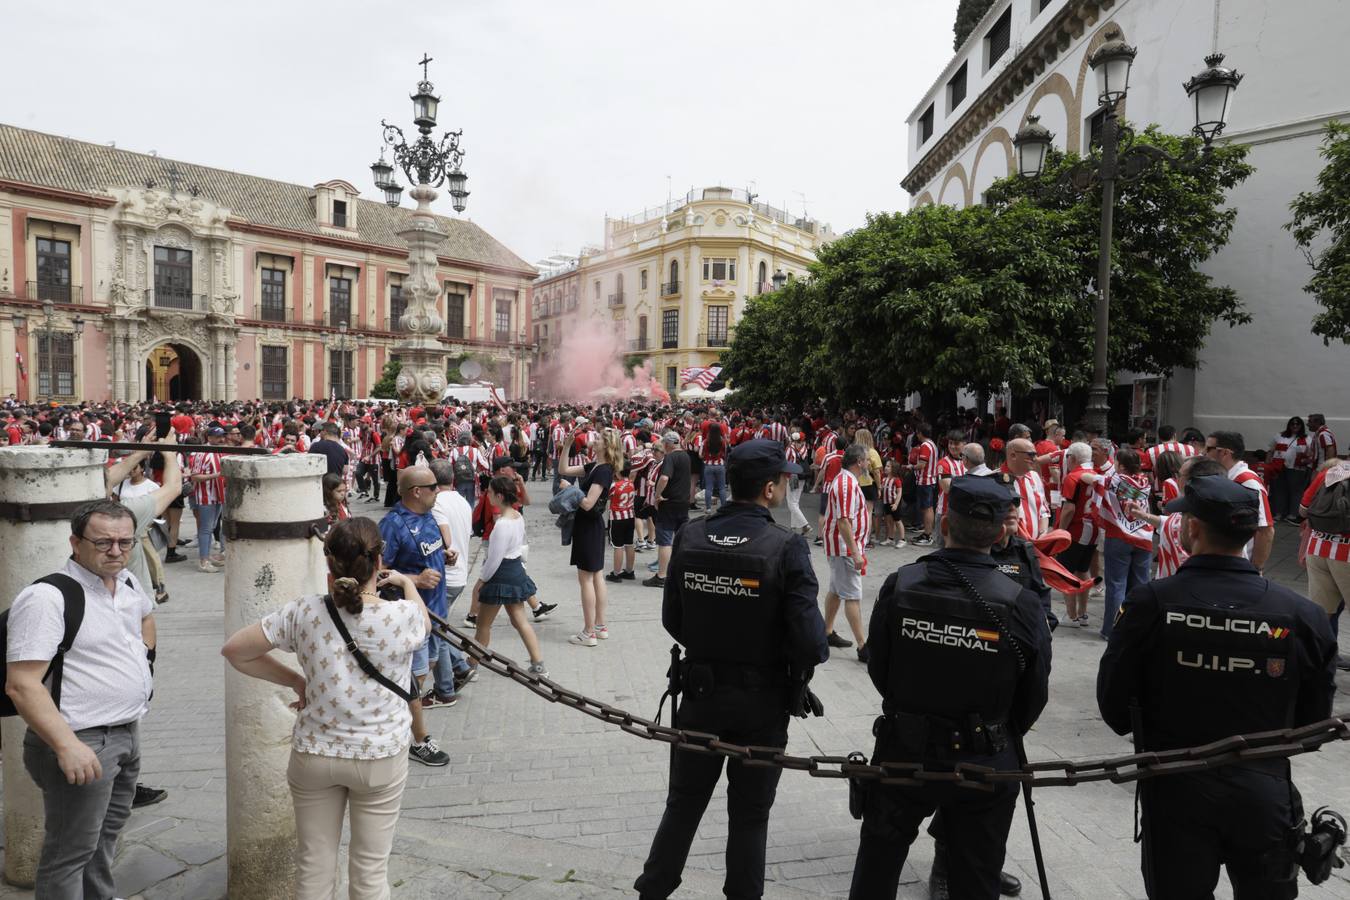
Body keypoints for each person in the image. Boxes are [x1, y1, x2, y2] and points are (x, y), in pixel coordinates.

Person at [1097, 474, 1337, 899]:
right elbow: (1313, 726)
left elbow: (1114, 704)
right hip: (1264, 789)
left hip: (1175, 788)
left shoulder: (1150, 603)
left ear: (1192, 527)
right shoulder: (1303, 614)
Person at [635, 439, 828, 900]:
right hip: (761, 704)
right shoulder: (785, 547)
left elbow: (672, 618)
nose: (786, 484)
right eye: (784, 478)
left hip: (701, 694)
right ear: (768, 488)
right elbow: (813, 643)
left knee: (682, 805)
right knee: (750, 816)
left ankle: (653, 891)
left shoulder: (692, 534)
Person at [849, 477, 1052, 899]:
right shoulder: (1021, 601)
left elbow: (880, 665)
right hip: (983, 754)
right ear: (1000, 535)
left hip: (907, 746)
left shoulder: (902, 582)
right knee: (975, 878)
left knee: (878, 866)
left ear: (944, 524)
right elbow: (1034, 693)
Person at [222, 517, 429, 900]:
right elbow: (424, 624)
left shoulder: (304, 612)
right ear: (379, 559)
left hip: (315, 752)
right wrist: (408, 584)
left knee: (313, 869)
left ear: (328, 561)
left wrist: (296, 681)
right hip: (379, 754)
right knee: (370, 871)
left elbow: (236, 650)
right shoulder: (402, 616)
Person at [6, 499, 157, 899]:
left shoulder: (127, 583)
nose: (116, 551)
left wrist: (146, 660)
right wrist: (66, 744)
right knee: (68, 852)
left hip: (125, 732)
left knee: (103, 842)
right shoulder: (47, 598)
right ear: (76, 542)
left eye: (125, 542)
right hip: (79, 739)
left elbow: (145, 616)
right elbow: (22, 684)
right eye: (104, 542)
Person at [377, 466, 451, 766]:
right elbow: (378, 573)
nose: (439, 490)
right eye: (433, 486)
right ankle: (418, 740)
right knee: (413, 684)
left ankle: (401, 727)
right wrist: (415, 581)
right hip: (411, 618)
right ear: (416, 491)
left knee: (420, 676)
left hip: (436, 613)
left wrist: (444, 555)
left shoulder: (428, 515)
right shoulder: (392, 525)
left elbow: (424, 552)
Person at [469, 474, 548, 675]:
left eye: (490, 492)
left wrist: (481, 581)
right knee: (520, 620)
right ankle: (538, 664)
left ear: (499, 496)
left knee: (483, 625)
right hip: (515, 571)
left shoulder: (502, 524)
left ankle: (471, 665)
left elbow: (494, 559)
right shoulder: (517, 515)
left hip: (500, 575)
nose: (488, 495)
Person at [559, 428, 623, 644]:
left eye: (597, 439)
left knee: (586, 577)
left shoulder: (603, 470)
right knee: (596, 575)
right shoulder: (594, 466)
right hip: (590, 526)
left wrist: (571, 489)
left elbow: (587, 503)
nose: (593, 441)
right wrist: (567, 446)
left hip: (589, 525)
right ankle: (599, 626)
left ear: (605, 445)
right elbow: (563, 468)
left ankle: (588, 632)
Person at [821, 444, 871, 660]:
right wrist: (855, 553)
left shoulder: (847, 481)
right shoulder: (846, 484)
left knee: (836, 589)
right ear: (859, 462)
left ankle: (827, 632)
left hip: (844, 548)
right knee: (852, 595)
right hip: (844, 549)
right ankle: (863, 646)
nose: (869, 463)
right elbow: (843, 522)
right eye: (866, 459)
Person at [1300, 457, 1350, 664]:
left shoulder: (1329, 472)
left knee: (1322, 613)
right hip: (1346, 554)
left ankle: (1317, 661)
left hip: (1318, 548)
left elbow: (1303, 510)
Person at [1204, 430, 1275, 571]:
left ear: (1225, 453)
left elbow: (1266, 530)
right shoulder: (1226, 477)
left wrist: (1255, 568)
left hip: (1239, 566)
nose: (1204, 453)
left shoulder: (1248, 482)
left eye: (1209, 449)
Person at [644, 432, 691, 588]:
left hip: (669, 502)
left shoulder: (670, 457)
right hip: (683, 502)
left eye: (664, 444)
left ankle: (662, 575)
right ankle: (679, 571)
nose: (663, 447)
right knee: (680, 538)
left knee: (665, 541)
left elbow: (664, 478)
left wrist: (657, 496)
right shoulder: (685, 456)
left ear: (669, 444)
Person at [186, 426, 227, 573]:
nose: (221, 439)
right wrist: (218, 475)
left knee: (212, 526)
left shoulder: (222, 451)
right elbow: (195, 476)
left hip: (219, 495)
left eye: (222, 436)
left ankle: (207, 557)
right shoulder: (202, 454)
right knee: (205, 529)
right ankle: (203, 561)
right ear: (209, 438)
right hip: (206, 496)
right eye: (218, 437)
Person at [605, 462, 638, 583]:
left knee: (618, 546)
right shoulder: (631, 484)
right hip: (629, 516)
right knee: (629, 543)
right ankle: (629, 571)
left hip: (617, 517)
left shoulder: (615, 485)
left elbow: (607, 497)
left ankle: (616, 573)